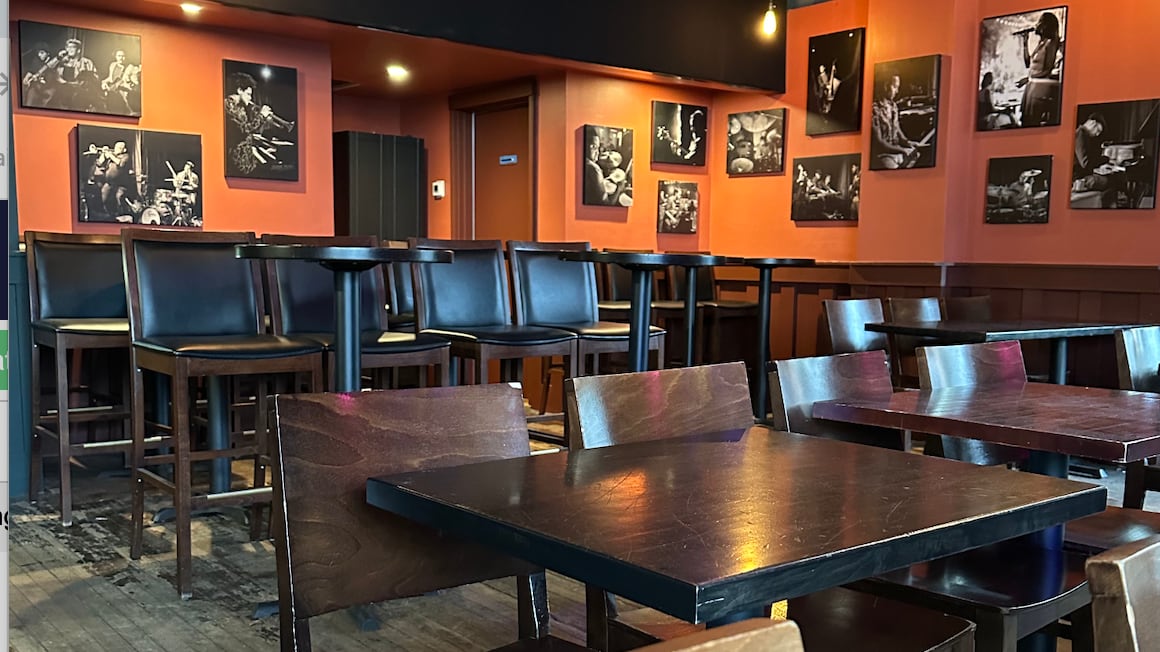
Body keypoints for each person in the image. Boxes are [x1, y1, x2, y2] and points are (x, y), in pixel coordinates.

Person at [1019, 12, 1062, 126]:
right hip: (1032, 85)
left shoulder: (1051, 43)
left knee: (1032, 122)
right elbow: (1028, 63)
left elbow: (1047, 70)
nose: (1036, 24)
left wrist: (1029, 79)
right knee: (1025, 121)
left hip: (1039, 89)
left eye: (1039, 22)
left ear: (1046, 25)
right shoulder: (1041, 43)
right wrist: (1025, 43)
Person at [225, 71, 273, 174]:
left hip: (245, 156)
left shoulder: (240, 107)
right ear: (239, 90)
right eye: (248, 94)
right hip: (238, 159)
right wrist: (262, 116)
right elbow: (245, 129)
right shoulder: (230, 106)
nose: (250, 98)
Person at [871, 73, 918, 169]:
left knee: (916, 154)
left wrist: (907, 142)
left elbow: (897, 128)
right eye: (895, 87)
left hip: (895, 150)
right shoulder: (874, 109)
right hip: (883, 154)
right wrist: (901, 150)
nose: (897, 91)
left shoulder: (893, 106)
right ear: (886, 86)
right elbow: (880, 143)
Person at [54, 38, 99, 110]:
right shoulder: (62, 61)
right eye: (68, 47)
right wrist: (58, 58)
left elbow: (95, 78)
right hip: (64, 91)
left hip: (80, 93)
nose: (70, 49)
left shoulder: (86, 62)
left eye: (73, 47)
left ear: (78, 50)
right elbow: (57, 76)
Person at [1073, 112, 1110, 193]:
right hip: (1077, 179)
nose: (1097, 134)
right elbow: (1085, 163)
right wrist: (1104, 160)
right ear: (1092, 123)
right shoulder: (1080, 134)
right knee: (1106, 181)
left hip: (1080, 175)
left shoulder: (1082, 134)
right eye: (1098, 130)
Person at [101, 49, 141, 114]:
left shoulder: (131, 67)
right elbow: (110, 78)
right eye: (119, 56)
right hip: (113, 93)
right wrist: (104, 82)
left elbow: (136, 84)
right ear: (115, 57)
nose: (121, 58)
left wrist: (128, 84)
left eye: (123, 56)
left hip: (124, 96)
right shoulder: (113, 65)